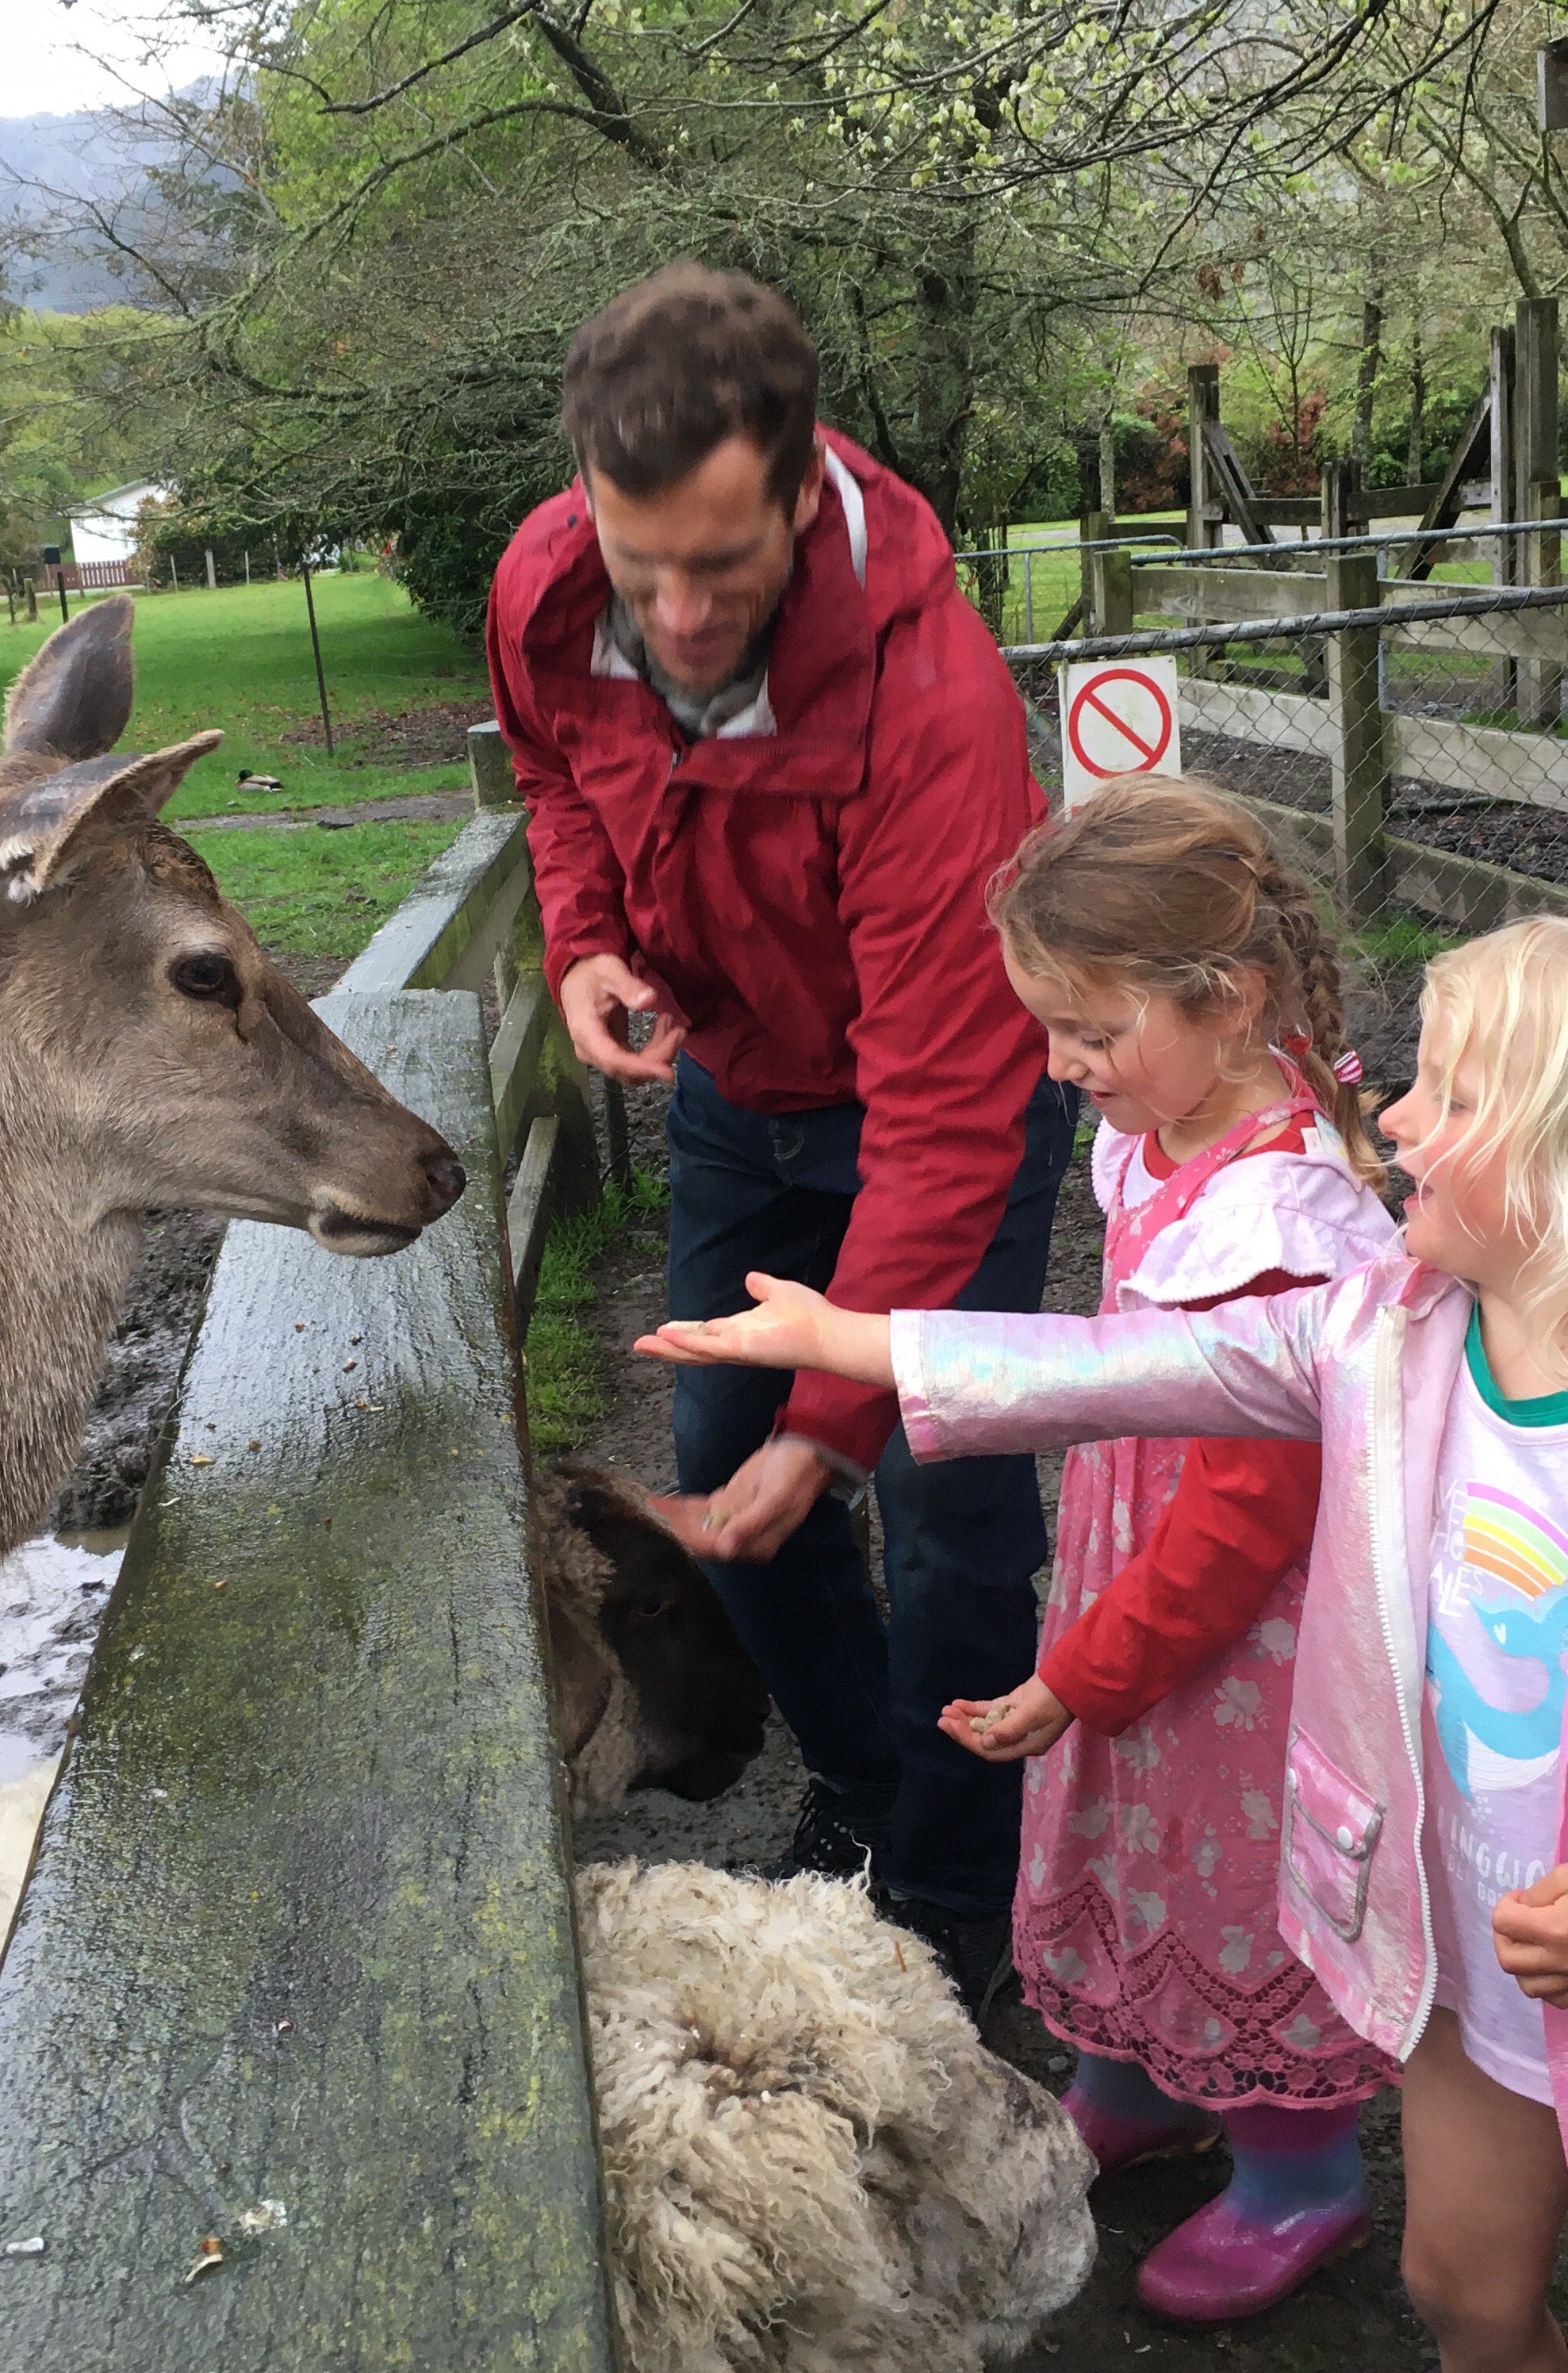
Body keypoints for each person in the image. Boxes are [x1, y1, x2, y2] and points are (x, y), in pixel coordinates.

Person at [642, 914, 1568, 2373]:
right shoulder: (1392, 1335)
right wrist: (867, 1344)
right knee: (1461, 2295)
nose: (1394, 1119)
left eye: (1453, 1097)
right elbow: (1146, 1363)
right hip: (1461, 1957)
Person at [485, 263, 1068, 2007]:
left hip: (940, 1103)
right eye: (638, 560)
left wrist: (838, 1422)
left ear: (807, 493)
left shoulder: (926, 705)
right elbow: (552, 775)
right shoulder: (545, 589)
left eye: (723, 568)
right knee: (723, 1446)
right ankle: (872, 1784)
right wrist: (587, 938)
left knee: (944, 1500)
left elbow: (945, 1115)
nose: (675, 613)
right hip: (741, 1092)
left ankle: (957, 1896)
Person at [923, 775, 1400, 2322]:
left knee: (1238, 1873)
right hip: (1142, 1570)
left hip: (1242, 1635)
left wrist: (1086, 1669)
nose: (1062, 1067)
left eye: (1090, 1030)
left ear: (1231, 997)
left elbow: (1247, 1519)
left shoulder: (1284, 1223)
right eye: (1049, 1029)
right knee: (1134, 1833)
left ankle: (1296, 2168)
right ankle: (1134, 2076)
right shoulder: (1170, 1122)